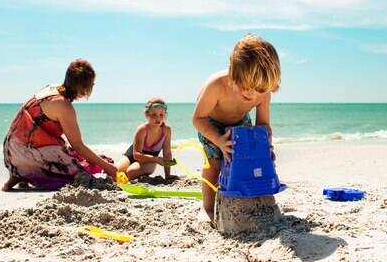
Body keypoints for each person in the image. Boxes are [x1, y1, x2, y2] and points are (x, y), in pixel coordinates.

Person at [192, 33, 281, 220]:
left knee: (249, 159)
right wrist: (218, 140)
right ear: (233, 75)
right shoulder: (216, 85)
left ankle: (247, 197)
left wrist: (265, 146)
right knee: (215, 162)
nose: (252, 94)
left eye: (260, 90)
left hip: (240, 122)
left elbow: (263, 125)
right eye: (245, 87)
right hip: (211, 125)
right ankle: (207, 207)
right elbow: (198, 118)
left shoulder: (262, 93)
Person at [2, 59, 117, 191]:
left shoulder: (51, 88)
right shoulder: (64, 106)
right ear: (84, 86)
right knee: (83, 170)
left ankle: (18, 175)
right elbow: (78, 145)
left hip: (11, 151)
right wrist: (107, 167)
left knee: (75, 155)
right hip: (26, 153)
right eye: (92, 83)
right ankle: (30, 173)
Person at [116, 98, 175, 181]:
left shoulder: (166, 130)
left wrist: (168, 175)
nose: (158, 118)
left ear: (165, 115)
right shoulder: (142, 129)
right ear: (147, 114)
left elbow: (167, 153)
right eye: (154, 115)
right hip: (133, 156)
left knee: (130, 173)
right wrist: (157, 159)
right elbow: (136, 155)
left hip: (150, 161)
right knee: (114, 174)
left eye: (161, 115)